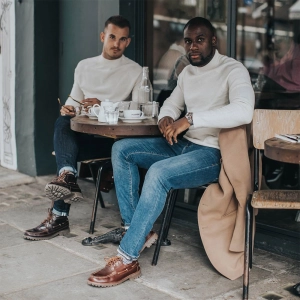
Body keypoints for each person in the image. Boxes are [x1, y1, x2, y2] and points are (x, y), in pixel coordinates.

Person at [87, 17, 254, 288]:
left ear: (214, 41)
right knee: (122, 149)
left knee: (159, 173)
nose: (193, 47)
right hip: (184, 146)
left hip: (211, 154)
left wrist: (191, 119)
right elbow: (171, 104)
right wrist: (166, 117)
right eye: (188, 41)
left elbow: (244, 110)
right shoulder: (188, 73)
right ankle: (136, 232)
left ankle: (127, 258)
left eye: (200, 40)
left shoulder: (232, 70)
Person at [23, 15, 142, 241]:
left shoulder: (135, 71)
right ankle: (68, 176)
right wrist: (68, 109)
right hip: (83, 138)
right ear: (102, 37)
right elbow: (74, 102)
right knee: (62, 122)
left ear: (128, 42)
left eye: (122, 39)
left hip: (112, 143)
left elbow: (139, 109)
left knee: (66, 150)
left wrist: (104, 105)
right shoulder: (84, 66)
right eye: (112, 37)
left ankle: (58, 217)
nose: (116, 44)